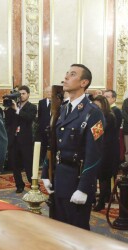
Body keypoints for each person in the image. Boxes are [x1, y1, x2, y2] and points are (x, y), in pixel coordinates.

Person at [41, 64, 104, 230]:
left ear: (84, 82)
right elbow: (53, 143)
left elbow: (94, 153)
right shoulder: (62, 109)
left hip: (77, 178)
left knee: (76, 230)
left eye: (72, 74)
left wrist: (84, 188)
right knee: (58, 226)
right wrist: (45, 172)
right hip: (59, 175)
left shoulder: (93, 112)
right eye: (66, 73)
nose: (66, 77)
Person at [5, 85, 37, 193]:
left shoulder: (32, 107)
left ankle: (33, 185)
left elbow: (29, 118)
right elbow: (8, 122)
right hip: (13, 140)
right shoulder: (13, 105)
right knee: (15, 164)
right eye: (20, 94)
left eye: (23, 93)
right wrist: (8, 108)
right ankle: (19, 185)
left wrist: (17, 110)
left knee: (28, 164)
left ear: (28, 94)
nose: (22, 96)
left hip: (25, 140)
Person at [91, 95, 118, 211]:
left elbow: (96, 134)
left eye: (97, 105)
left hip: (106, 151)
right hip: (101, 149)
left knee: (103, 176)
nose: (95, 107)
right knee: (103, 177)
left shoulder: (108, 117)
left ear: (103, 105)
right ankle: (105, 196)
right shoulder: (101, 116)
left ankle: (101, 202)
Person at [36, 86, 52, 165]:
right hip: (43, 128)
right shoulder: (41, 102)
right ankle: (43, 160)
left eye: (51, 92)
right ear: (45, 93)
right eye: (48, 92)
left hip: (53, 128)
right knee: (44, 145)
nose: (49, 93)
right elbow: (40, 115)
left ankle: (51, 160)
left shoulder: (57, 101)